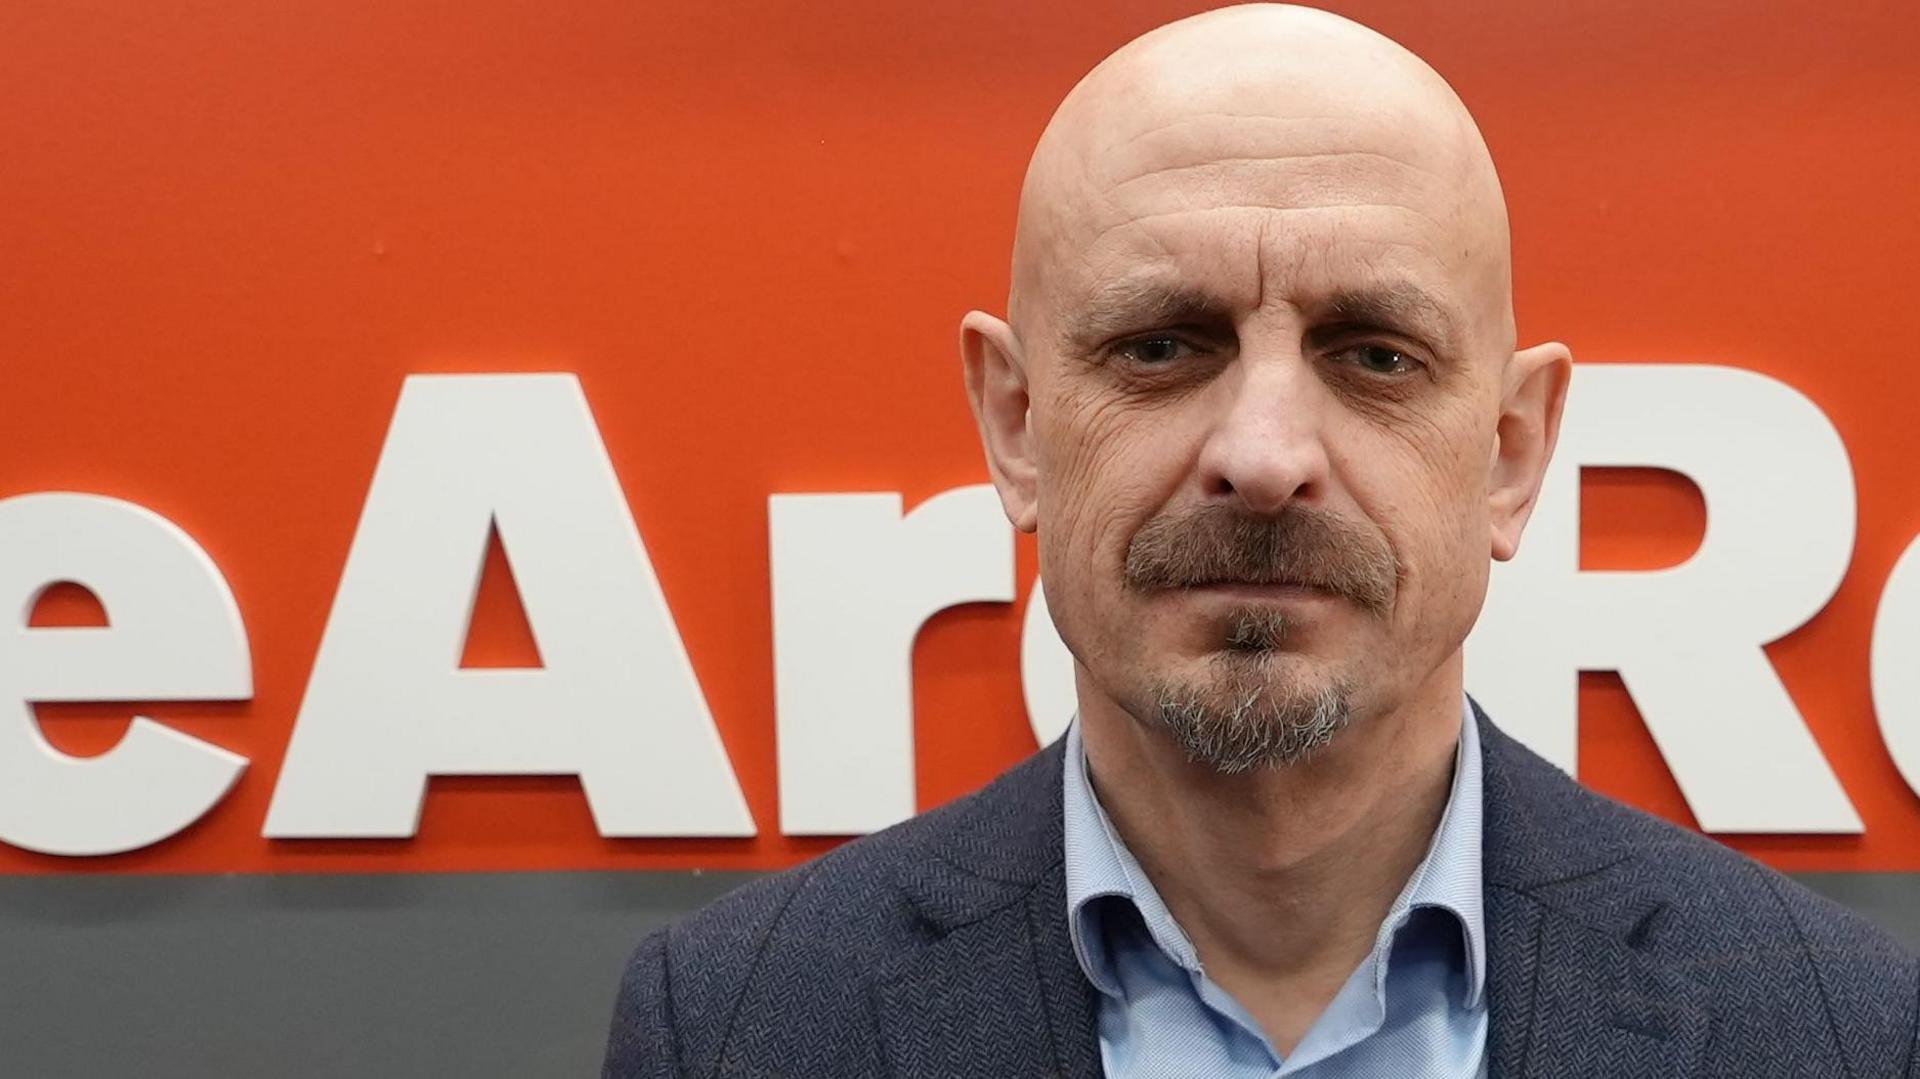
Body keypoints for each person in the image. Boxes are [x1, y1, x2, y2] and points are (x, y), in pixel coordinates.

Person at [603, 5, 1918, 1076]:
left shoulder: (1846, 1035)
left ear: (1512, 453)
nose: (1265, 455)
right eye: (1163, 345)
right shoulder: (734, 1028)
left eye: (1375, 353)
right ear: (1015, 426)